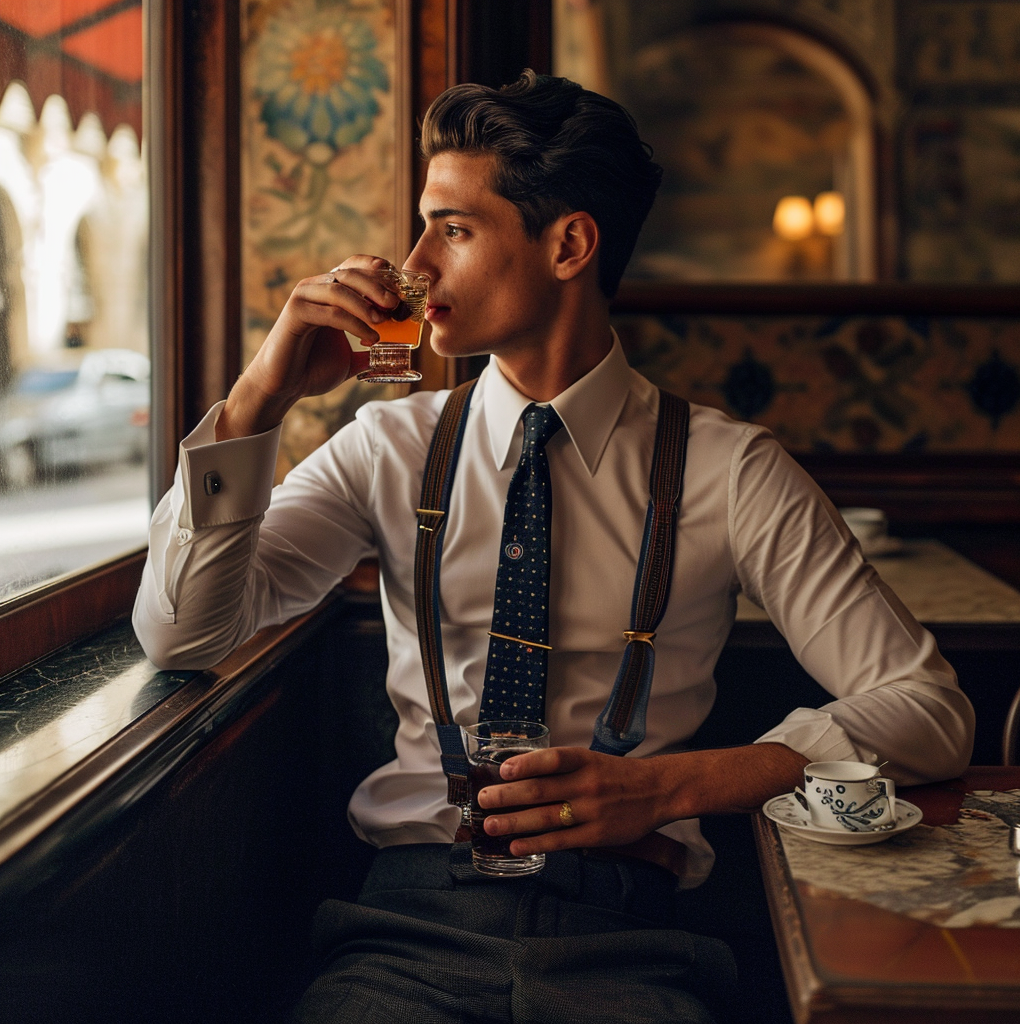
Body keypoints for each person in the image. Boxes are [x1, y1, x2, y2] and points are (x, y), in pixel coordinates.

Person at [133, 71, 974, 1023]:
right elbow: (181, 636)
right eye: (424, 227)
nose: (414, 263)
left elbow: (931, 712)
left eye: (452, 229)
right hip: (406, 931)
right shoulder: (386, 446)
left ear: (569, 243)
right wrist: (258, 400)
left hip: (634, 938)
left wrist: (669, 787)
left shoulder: (729, 469)